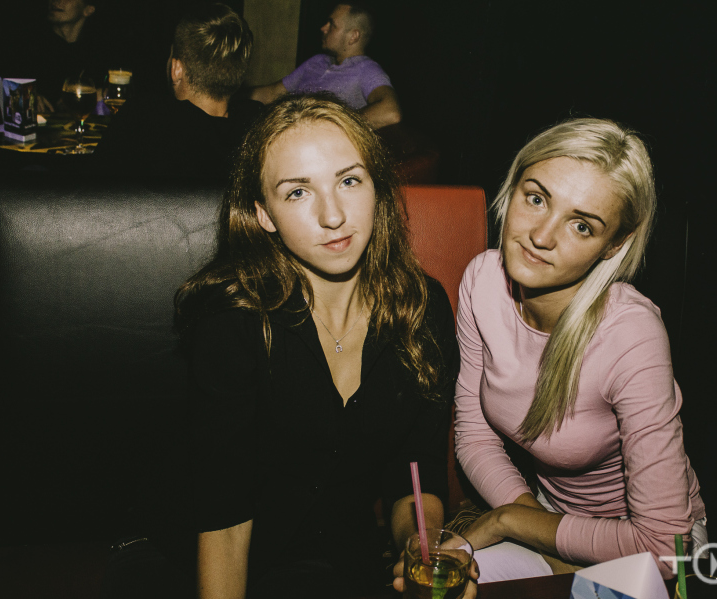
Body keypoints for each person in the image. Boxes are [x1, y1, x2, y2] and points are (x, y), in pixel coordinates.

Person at [175, 95, 474, 598]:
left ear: (377, 188)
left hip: (346, 562)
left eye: (349, 181)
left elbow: (414, 476)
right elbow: (223, 518)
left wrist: (418, 546)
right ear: (263, 215)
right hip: (225, 563)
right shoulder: (231, 322)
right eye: (297, 192)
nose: (333, 215)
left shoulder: (422, 310)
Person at [453, 118, 707, 582]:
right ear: (513, 187)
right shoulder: (482, 281)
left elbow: (666, 547)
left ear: (614, 245)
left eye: (582, 226)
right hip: (549, 519)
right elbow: (474, 436)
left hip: (643, 550)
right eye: (536, 199)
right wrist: (532, 523)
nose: (541, 236)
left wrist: (508, 521)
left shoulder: (630, 335)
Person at [94, 3, 260, 183]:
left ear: (177, 69)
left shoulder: (142, 121)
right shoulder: (258, 130)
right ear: (238, 75)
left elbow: (91, 189)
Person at [250, 3, 401, 130]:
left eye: (332, 25)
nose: (323, 28)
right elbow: (273, 93)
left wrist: (330, 128)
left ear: (353, 36)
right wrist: (238, 92)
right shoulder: (317, 61)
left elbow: (390, 111)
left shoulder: (366, 69)